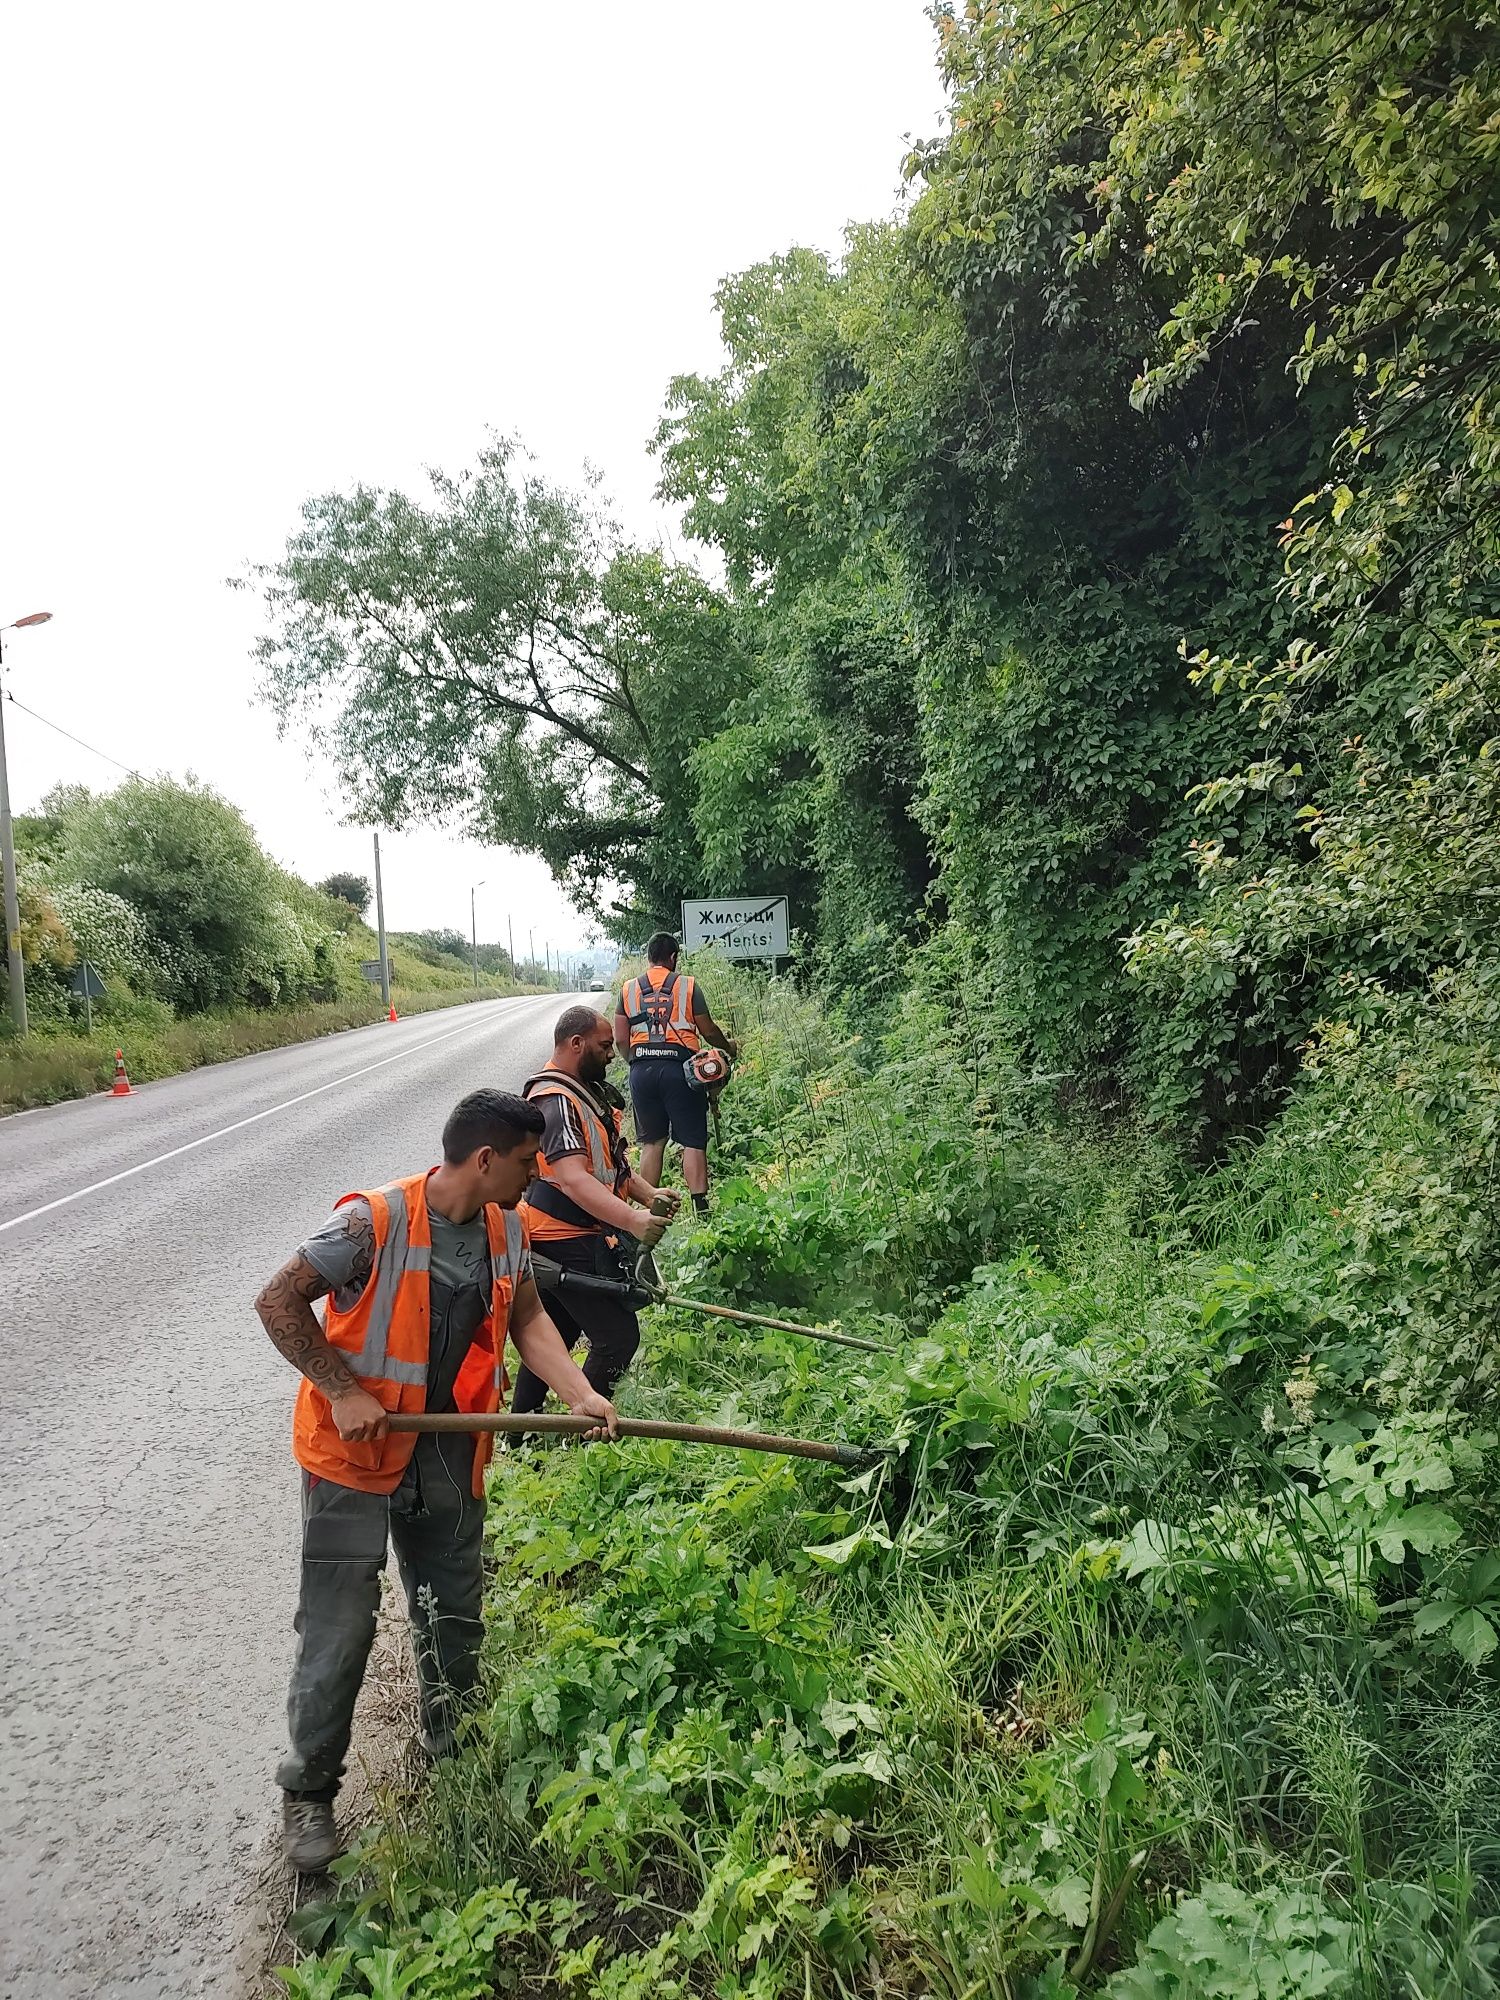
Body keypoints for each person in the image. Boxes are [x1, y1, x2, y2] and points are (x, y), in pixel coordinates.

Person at [253, 1088, 619, 1874]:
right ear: (485, 1160)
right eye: (527, 1163)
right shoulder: (372, 1222)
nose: (536, 1176)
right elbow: (278, 1300)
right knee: (340, 1626)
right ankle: (310, 1789)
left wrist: (580, 1393)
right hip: (350, 1459)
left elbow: (527, 1320)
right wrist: (344, 1389)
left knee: (453, 1607)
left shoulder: (507, 1228)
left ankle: (453, 1742)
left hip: (449, 1447)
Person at [511, 1006, 678, 1415]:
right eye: (604, 1046)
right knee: (618, 1338)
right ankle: (584, 1425)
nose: (611, 1054)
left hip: (560, 1236)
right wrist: (634, 1220)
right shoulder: (556, 1100)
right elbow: (572, 1178)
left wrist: (647, 1194)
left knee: (557, 1332)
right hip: (564, 1237)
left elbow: (607, 1167)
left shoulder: (580, 1095)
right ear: (575, 1044)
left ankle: (522, 1432)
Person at [615, 934, 736, 1215]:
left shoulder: (628, 989)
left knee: (651, 1142)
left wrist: (635, 1061)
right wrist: (728, 1046)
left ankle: (647, 1210)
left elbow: (621, 1039)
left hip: (642, 1071)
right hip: (681, 1070)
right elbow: (708, 1031)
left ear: (648, 958)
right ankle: (701, 1209)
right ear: (673, 958)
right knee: (693, 1139)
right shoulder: (688, 986)